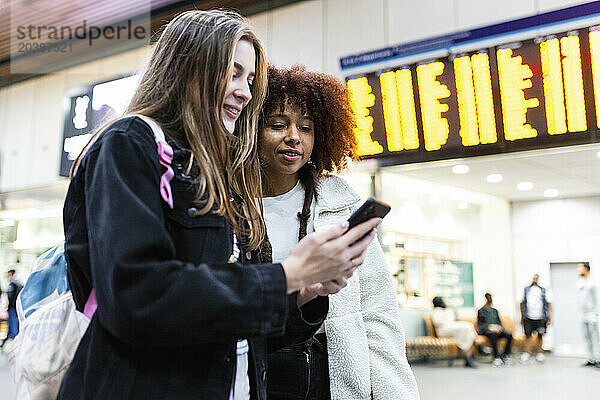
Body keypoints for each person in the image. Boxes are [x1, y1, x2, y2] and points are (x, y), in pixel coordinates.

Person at [57, 10, 379, 400]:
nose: (245, 92)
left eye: (249, 79)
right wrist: (287, 276)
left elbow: (231, 326)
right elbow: (138, 297)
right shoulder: (131, 143)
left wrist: (304, 292)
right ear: (189, 66)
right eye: (233, 72)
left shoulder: (217, 173)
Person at [258, 65, 419, 400]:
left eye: (306, 127)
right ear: (249, 129)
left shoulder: (340, 206)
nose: (294, 137)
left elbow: (378, 313)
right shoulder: (228, 206)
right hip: (256, 374)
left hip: (330, 380)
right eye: (278, 124)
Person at [431, 296, 477, 368]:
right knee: (465, 329)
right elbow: (437, 322)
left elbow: (456, 318)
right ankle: (469, 355)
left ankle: (468, 356)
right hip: (444, 330)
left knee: (468, 326)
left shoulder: (448, 310)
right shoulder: (437, 311)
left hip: (452, 327)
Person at [520, 273, 553, 364]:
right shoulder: (527, 290)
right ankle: (527, 353)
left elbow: (549, 304)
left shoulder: (543, 290)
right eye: (533, 278)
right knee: (528, 336)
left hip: (541, 317)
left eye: (536, 278)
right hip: (528, 317)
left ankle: (540, 354)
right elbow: (522, 303)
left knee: (540, 335)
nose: (535, 280)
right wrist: (522, 316)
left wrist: (549, 317)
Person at [477, 293, 512, 366]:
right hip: (486, 331)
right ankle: (496, 357)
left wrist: (500, 327)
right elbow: (480, 325)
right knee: (493, 334)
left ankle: (504, 355)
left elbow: (499, 322)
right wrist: (490, 327)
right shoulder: (481, 311)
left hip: (496, 330)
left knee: (509, 335)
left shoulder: (495, 311)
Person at [577, 262, 600, 368]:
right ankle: (591, 358)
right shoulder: (580, 282)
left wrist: (596, 314)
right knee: (587, 337)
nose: (578, 270)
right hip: (583, 314)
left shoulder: (593, 282)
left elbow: (597, 299)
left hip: (592, 314)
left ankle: (598, 359)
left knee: (595, 337)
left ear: (586, 269)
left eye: (580, 268)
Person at [1, 269, 22, 348]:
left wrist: (10, 306)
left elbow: (11, 297)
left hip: (12, 308)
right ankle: (6, 343)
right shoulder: (18, 283)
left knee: (13, 327)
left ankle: (16, 345)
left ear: (11, 273)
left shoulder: (13, 284)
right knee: (11, 327)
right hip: (15, 308)